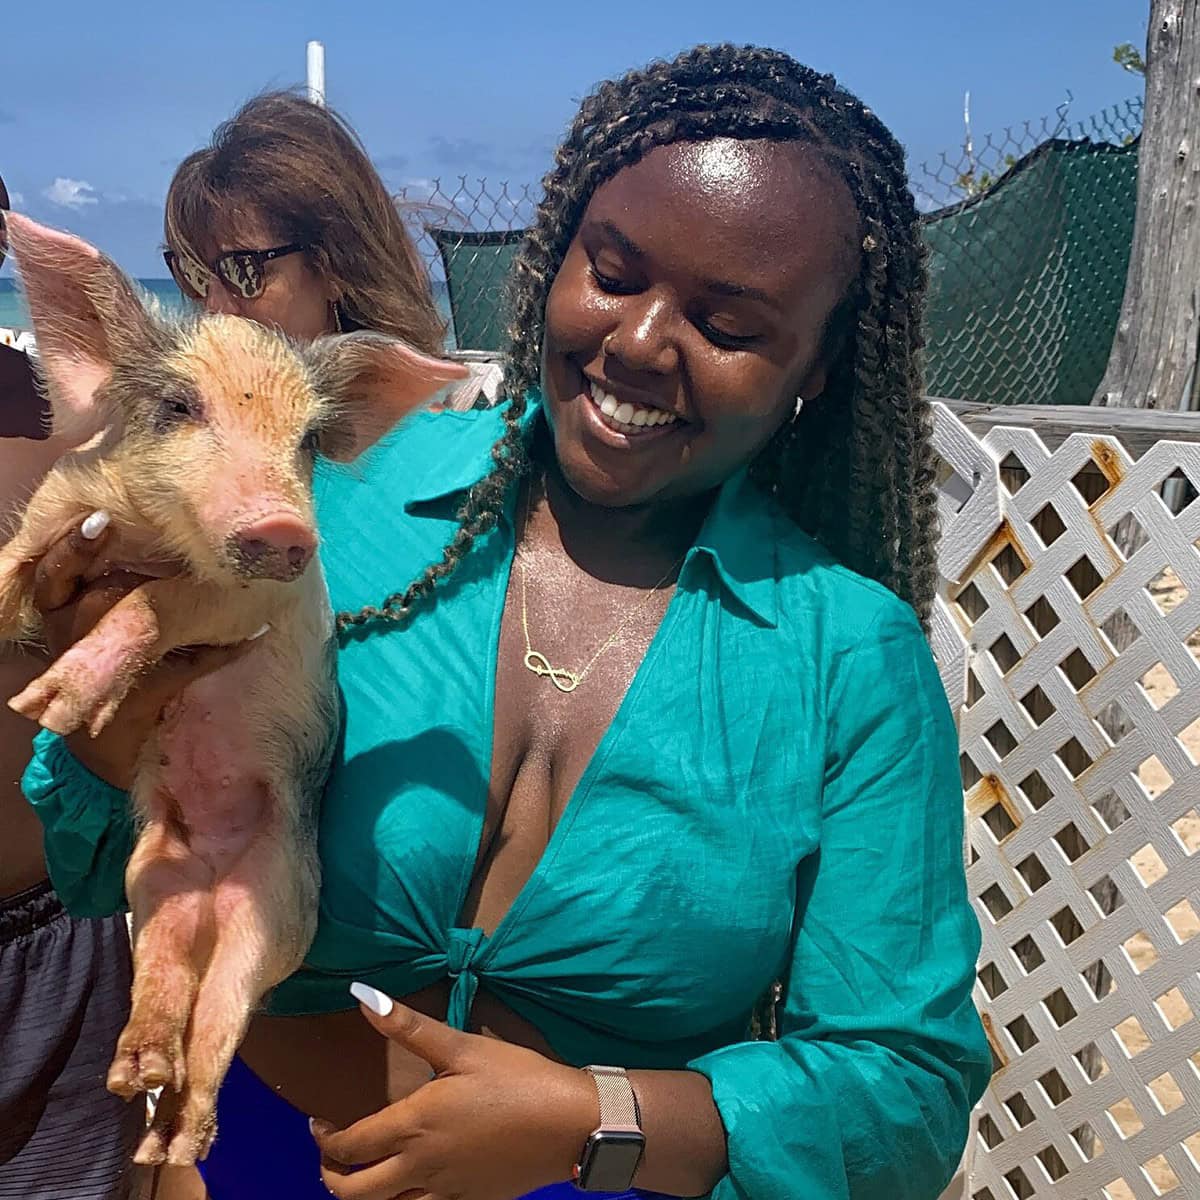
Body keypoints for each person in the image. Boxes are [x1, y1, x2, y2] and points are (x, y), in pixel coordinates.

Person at [22, 46, 991, 1200]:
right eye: (614, 272)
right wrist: (103, 728)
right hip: (249, 1165)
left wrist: (598, 1119)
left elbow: (908, 1089)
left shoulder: (849, 655)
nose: (637, 341)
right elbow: (90, 863)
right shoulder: (328, 506)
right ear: (555, 259)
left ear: (818, 367)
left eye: (727, 323)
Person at [2, 95, 444, 1200]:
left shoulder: (453, 483)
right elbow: (92, 854)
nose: (205, 304)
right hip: (199, 1038)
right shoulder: (154, 480)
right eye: (182, 267)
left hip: (406, 1071)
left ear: (339, 257)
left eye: (241, 271)